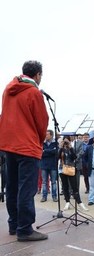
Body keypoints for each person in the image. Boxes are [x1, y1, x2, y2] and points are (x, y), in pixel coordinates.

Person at [0, 60, 49, 241]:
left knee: (12, 187)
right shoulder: (33, 92)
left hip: (8, 145)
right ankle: (25, 229)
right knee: (26, 189)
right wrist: (39, 140)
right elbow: (41, 122)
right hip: (27, 146)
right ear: (37, 75)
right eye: (41, 76)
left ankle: (14, 225)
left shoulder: (8, 90)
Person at [59, 136, 88, 211]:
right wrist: (61, 147)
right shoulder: (61, 149)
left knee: (74, 186)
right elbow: (57, 157)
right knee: (65, 186)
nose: (65, 143)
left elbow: (74, 157)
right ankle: (67, 202)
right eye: (64, 141)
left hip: (71, 169)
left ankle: (79, 202)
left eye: (67, 141)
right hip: (62, 169)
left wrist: (70, 147)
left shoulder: (70, 148)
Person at [40, 129, 58, 203]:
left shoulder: (55, 143)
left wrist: (46, 151)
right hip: (44, 165)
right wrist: (50, 151)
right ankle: (44, 196)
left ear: (51, 135)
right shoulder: (42, 143)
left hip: (53, 165)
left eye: (47, 134)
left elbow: (56, 152)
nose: (45, 136)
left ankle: (54, 196)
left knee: (53, 181)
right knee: (44, 182)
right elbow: (41, 152)